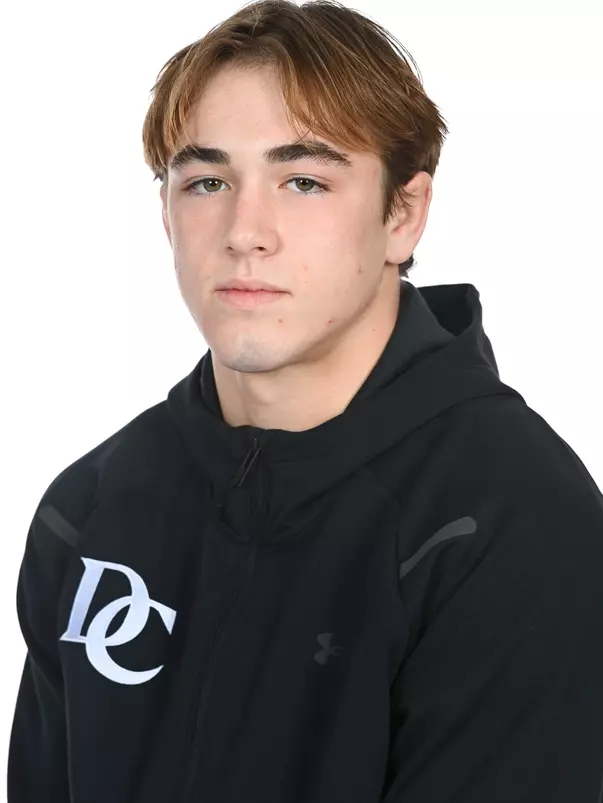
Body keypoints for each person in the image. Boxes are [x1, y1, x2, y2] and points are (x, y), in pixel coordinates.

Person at [7, 0, 603, 800]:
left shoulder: (507, 524)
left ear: (402, 214)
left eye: (304, 180)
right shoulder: (90, 510)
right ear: (165, 212)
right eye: (208, 180)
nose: (245, 230)